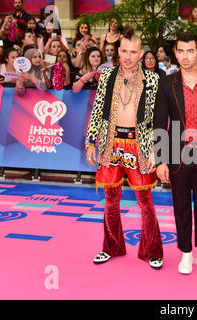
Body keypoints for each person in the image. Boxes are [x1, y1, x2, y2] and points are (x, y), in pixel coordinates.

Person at [85, 24, 163, 269]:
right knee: (110, 200)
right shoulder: (106, 76)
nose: (128, 56)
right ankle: (112, 246)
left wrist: (155, 149)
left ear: (141, 54)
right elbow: (98, 111)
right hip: (110, 144)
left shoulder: (152, 79)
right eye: (124, 51)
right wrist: (90, 141)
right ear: (118, 51)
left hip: (139, 146)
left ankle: (152, 251)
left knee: (145, 202)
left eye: (133, 52)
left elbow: (155, 118)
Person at [153, 31, 197, 275]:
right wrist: (160, 160)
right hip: (177, 153)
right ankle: (186, 253)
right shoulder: (166, 83)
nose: (185, 56)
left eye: (190, 51)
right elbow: (160, 123)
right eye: (180, 51)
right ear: (175, 53)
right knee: (181, 205)